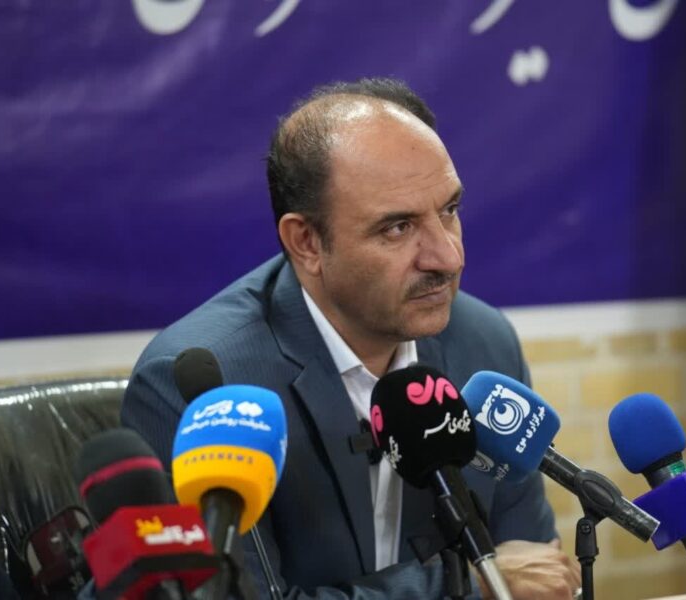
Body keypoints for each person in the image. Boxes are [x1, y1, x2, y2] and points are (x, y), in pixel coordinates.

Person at [122, 78, 579, 599]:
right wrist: (462, 587)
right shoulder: (202, 386)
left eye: (449, 210)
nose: (449, 257)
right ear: (307, 242)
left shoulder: (483, 343)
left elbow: (534, 571)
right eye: (397, 228)